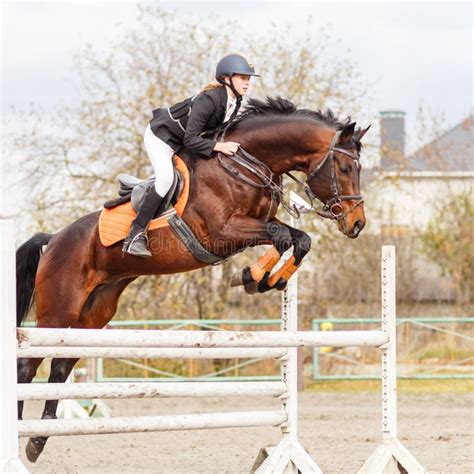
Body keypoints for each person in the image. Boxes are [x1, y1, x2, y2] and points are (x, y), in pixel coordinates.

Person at [123, 53, 259, 258]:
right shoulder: (209, 100)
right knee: (166, 179)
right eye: (242, 78)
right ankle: (135, 233)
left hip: (182, 139)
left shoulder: (235, 101)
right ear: (226, 79)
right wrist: (219, 148)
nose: (247, 83)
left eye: (248, 79)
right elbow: (190, 139)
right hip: (162, 137)